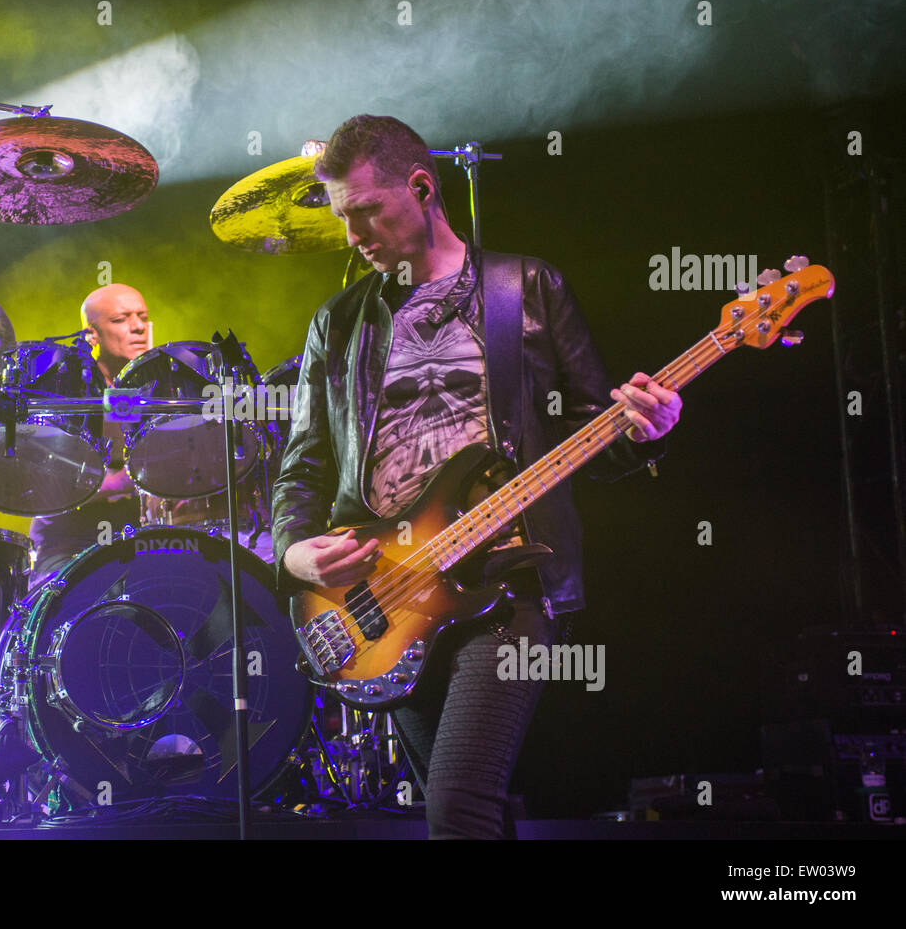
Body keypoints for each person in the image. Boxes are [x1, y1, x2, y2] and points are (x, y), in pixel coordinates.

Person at [271, 115, 682, 839]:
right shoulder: (336, 323)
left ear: (423, 188)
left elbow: (597, 428)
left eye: (365, 211)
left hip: (511, 579)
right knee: (462, 810)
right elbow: (302, 461)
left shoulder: (526, 287)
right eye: (343, 218)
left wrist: (647, 431)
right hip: (386, 598)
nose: (353, 236)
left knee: (456, 805)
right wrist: (294, 550)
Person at [28, 283, 150, 579]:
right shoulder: (68, 388)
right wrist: (127, 480)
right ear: (91, 334)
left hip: (140, 544)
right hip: (69, 546)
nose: (138, 328)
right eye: (121, 320)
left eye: (143, 317)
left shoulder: (148, 391)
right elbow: (43, 486)